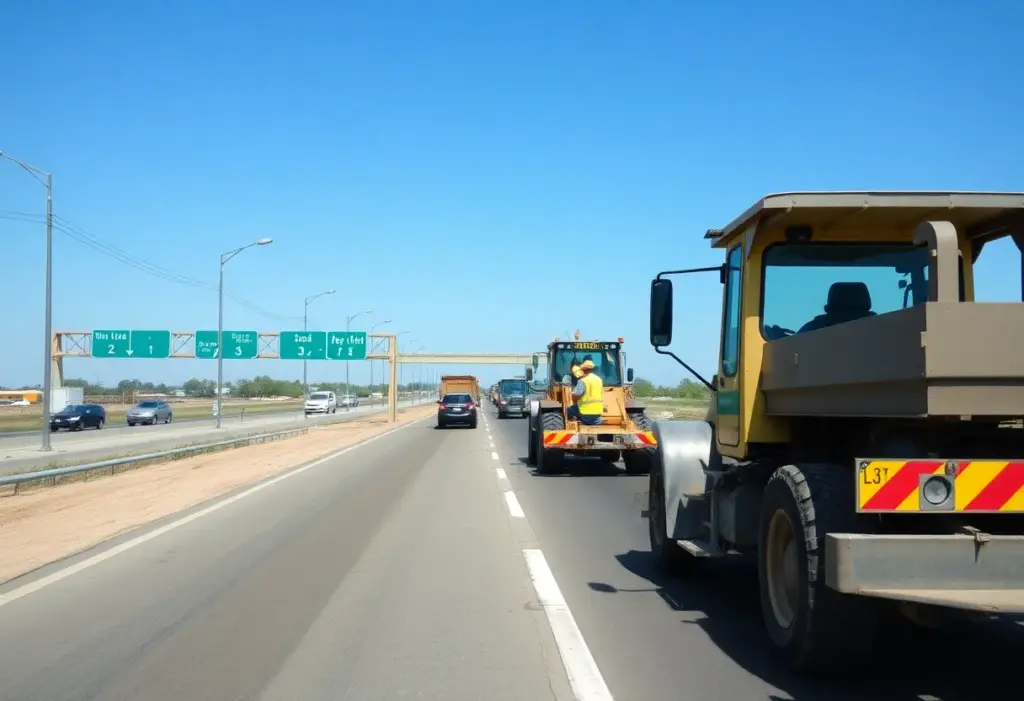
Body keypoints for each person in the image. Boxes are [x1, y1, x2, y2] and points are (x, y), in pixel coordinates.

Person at [566, 359, 603, 425]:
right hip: (598, 413)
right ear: (592, 369)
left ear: (583, 369)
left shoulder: (583, 381)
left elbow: (577, 395)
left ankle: (571, 424)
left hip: (585, 412)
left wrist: (573, 398)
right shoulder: (599, 379)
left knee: (567, 411)